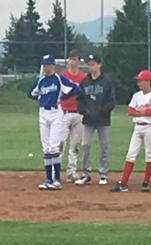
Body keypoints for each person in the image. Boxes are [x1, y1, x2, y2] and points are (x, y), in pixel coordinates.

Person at [28, 54, 80, 190]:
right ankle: (48, 178)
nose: (46, 67)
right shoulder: (41, 80)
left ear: (53, 65)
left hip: (56, 113)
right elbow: (31, 93)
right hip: (43, 113)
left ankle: (56, 179)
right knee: (46, 147)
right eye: (44, 65)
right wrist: (42, 99)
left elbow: (76, 89)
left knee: (54, 146)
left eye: (48, 64)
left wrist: (62, 97)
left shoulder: (58, 79)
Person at [111, 69, 151, 193]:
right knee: (131, 154)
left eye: (141, 81)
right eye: (138, 81)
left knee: (149, 154)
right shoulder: (136, 96)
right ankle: (123, 183)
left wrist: (138, 111)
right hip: (138, 127)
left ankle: (146, 182)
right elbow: (129, 111)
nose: (138, 83)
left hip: (150, 127)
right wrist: (142, 111)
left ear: (148, 81)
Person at [75, 53, 116, 186]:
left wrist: (101, 111)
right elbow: (79, 100)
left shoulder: (106, 82)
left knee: (103, 146)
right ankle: (86, 174)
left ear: (99, 65)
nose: (91, 67)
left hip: (102, 120)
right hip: (88, 120)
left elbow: (111, 102)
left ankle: (103, 174)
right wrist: (85, 111)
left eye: (93, 64)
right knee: (85, 145)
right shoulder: (84, 82)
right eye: (89, 64)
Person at [59, 51, 87, 183]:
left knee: (75, 145)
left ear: (79, 62)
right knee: (60, 142)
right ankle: (55, 170)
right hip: (64, 112)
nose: (72, 62)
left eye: (75, 59)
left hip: (79, 113)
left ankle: (72, 171)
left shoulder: (83, 77)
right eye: (70, 59)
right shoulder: (63, 76)